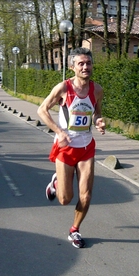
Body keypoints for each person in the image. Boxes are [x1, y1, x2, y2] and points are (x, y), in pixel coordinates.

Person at [37, 47, 105, 249]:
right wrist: (59, 131)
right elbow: (42, 110)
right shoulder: (63, 88)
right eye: (81, 63)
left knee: (86, 195)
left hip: (86, 147)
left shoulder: (97, 90)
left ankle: (74, 230)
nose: (85, 67)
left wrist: (99, 121)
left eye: (88, 63)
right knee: (65, 200)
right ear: (72, 66)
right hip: (66, 148)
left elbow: (97, 113)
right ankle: (56, 182)